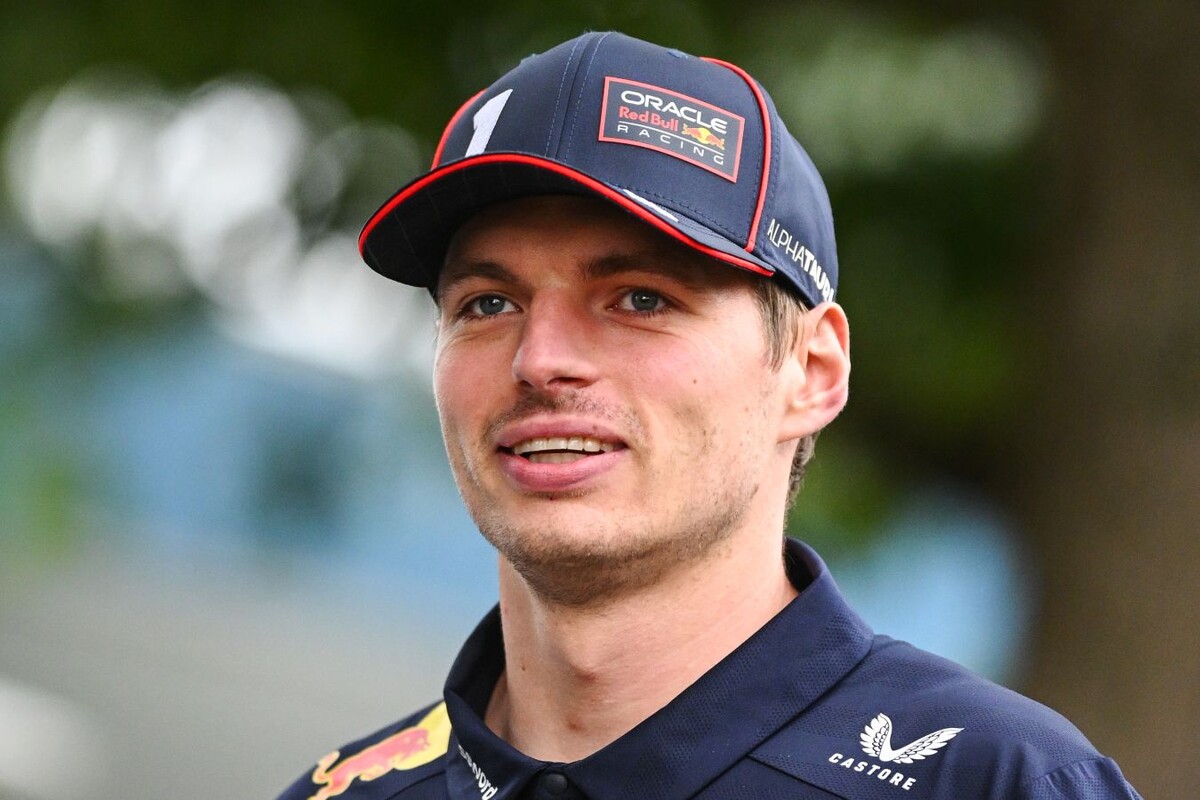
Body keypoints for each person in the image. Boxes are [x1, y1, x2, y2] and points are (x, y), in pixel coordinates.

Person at [275, 31, 1141, 800]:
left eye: (641, 298)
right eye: (487, 304)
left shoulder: (997, 782)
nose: (539, 360)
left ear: (811, 372)